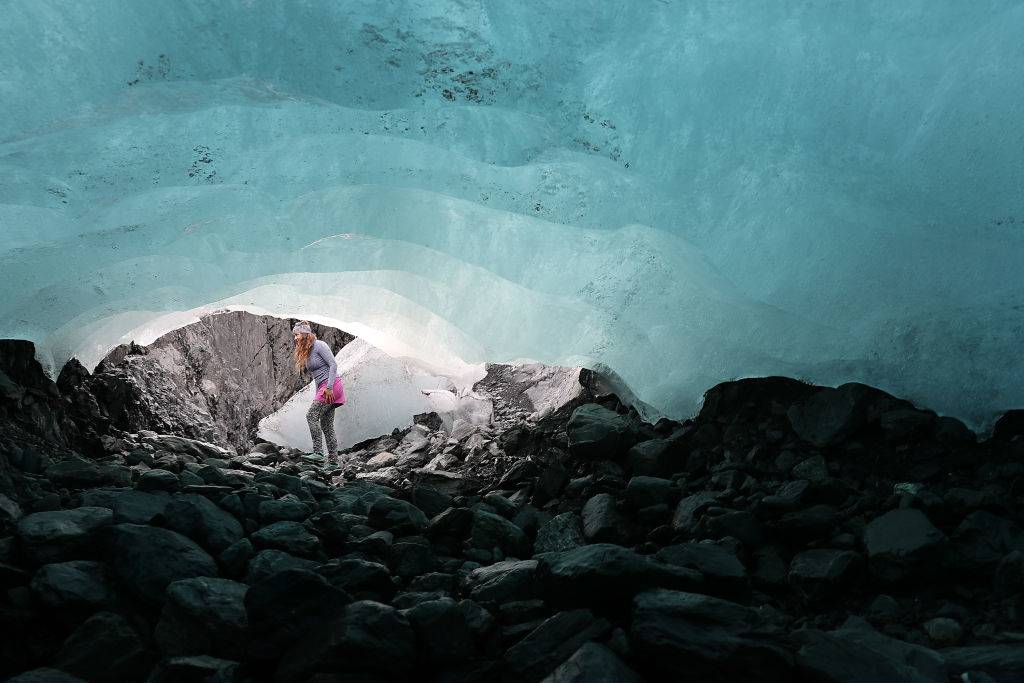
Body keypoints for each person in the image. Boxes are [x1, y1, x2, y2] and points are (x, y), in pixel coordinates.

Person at [291, 320, 346, 469]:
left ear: (304, 333)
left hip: (332, 386)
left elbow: (333, 365)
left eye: (297, 334)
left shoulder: (320, 345)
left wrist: (328, 388)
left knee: (311, 416)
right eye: (294, 335)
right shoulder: (308, 350)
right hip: (324, 388)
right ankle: (334, 462)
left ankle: (318, 453)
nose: (295, 338)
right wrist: (319, 393)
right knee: (326, 424)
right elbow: (317, 377)